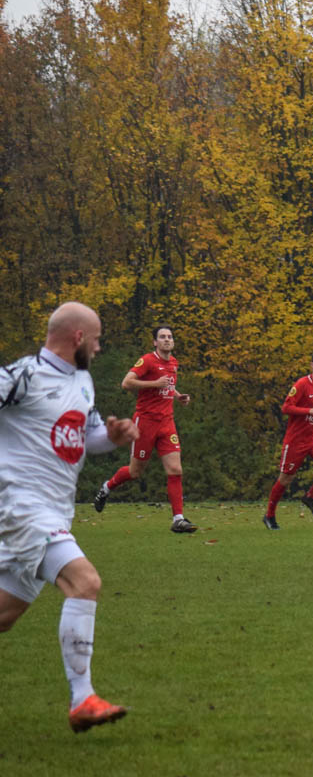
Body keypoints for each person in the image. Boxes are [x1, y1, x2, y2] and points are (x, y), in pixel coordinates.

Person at [1, 302, 138, 733]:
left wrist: (112, 437)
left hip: (54, 509)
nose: (98, 348)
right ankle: (83, 699)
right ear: (78, 337)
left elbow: (85, 436)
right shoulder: (23, 376)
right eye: (96, 340)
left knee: (5, 614)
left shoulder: (82, 380)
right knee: (85, 582)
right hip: (21, 507)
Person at [93, 325, 196, 533]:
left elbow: (167, 385)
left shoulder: (173, 362)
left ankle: (178, 519)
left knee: (175, 469)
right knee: (135, 472)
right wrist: (155, 383)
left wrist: (178, 396)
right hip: (145, 423)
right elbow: (126, 383)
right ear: (155, 342)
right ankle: (107, 487)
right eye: (162, 337)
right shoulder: (148, 360)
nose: (167, 340)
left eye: (170, 337)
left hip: (167, 423)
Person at [263, 349, 313, 530]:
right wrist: (310, 411)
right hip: (296, 440)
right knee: (285, 479)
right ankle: (269, 515)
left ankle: (310, 497)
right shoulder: (302, 384)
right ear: (312, 365)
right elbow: (286, 408)